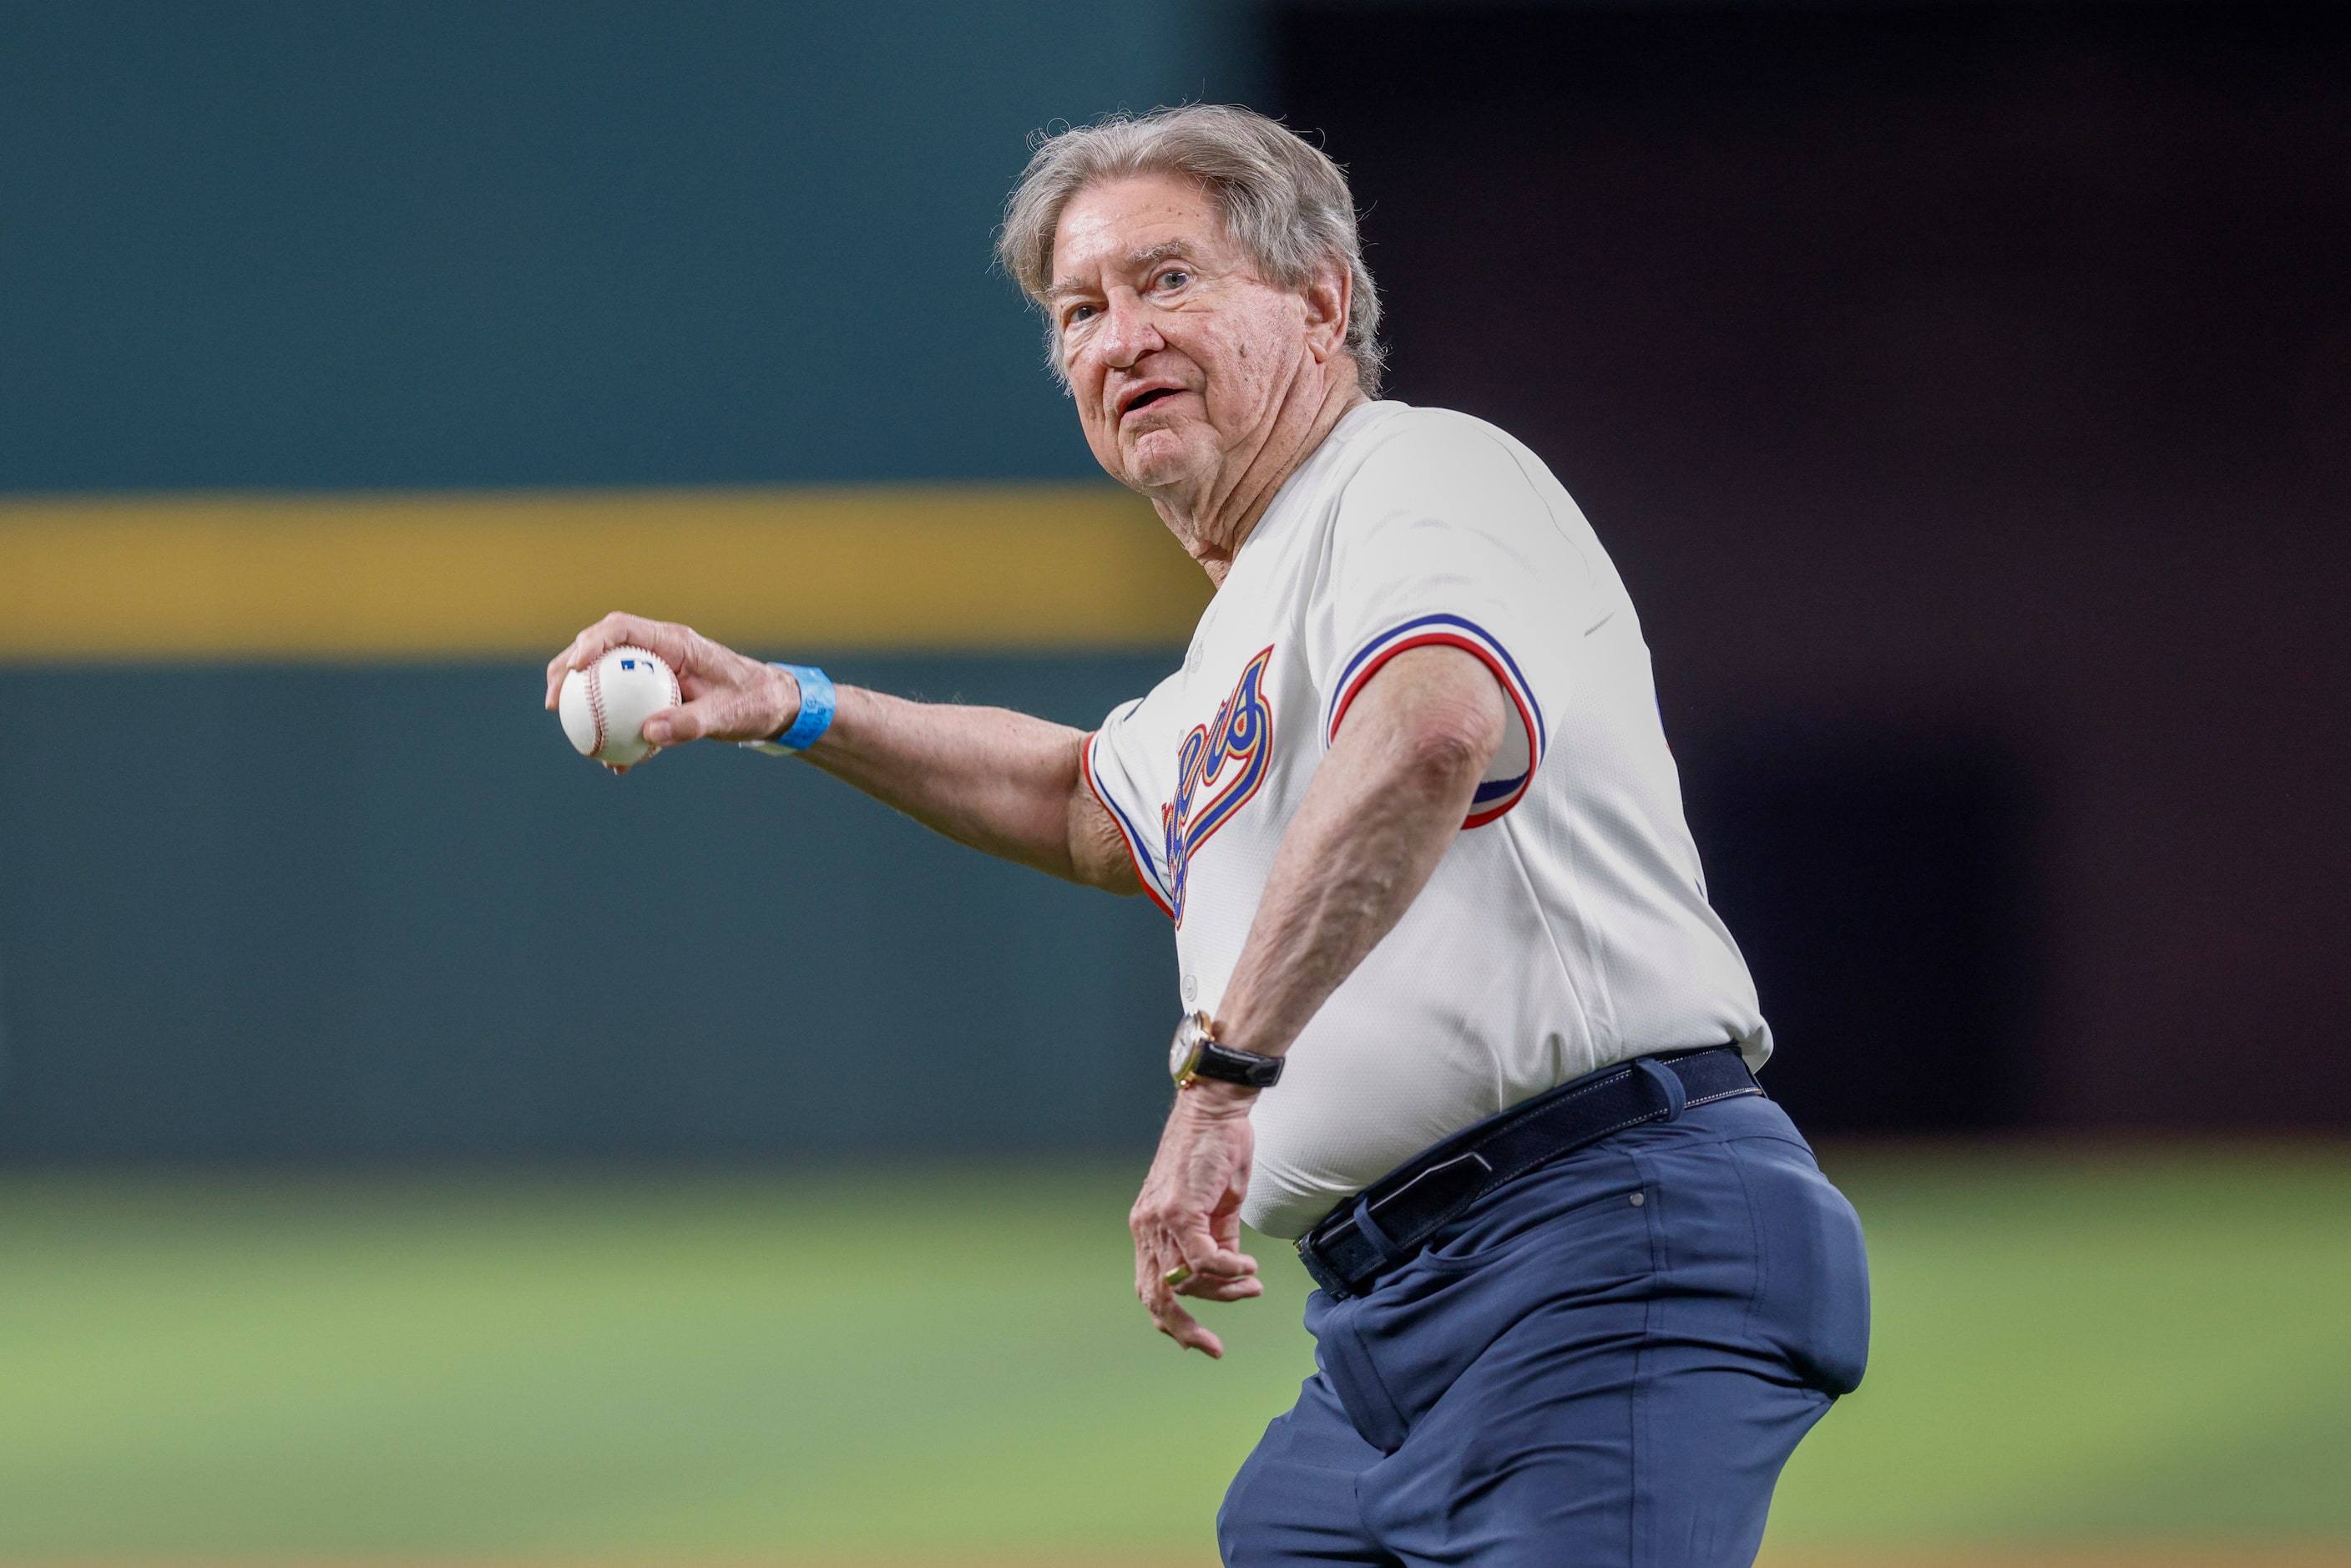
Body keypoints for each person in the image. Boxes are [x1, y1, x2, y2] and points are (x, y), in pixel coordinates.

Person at [544, 104, 1868, 1568]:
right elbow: (1081, 803)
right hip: (1394, 1318)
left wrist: (1225, 1074)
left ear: (1322, 299)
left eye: (1169, 279)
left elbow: (1432, 731)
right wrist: (786, 701)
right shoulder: (1249, 624)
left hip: (1603, 1239)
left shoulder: (1417, 477)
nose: (1121, 337)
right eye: (1081, 309)